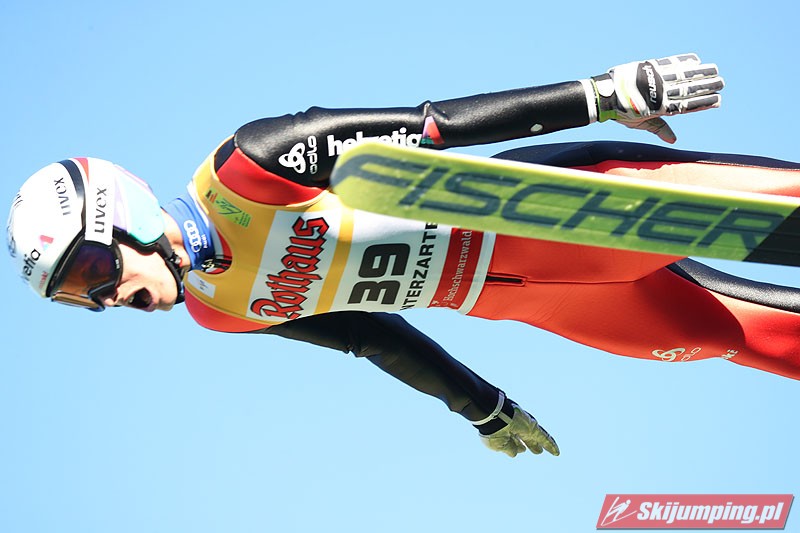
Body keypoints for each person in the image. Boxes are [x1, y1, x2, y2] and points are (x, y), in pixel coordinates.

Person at [11, 53, 797, 460]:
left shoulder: (251, 166)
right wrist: (479, 404)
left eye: (91, 271)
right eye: (79, 298)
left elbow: (434, 127)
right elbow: (367, 333)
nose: (103, 299)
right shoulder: (222, 312)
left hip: (571, 214)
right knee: (760, 341)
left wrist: (604, 93)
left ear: (124, 213)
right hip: (553, 305)